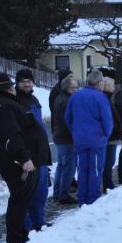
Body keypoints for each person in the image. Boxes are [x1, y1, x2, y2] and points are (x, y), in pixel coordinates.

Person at [0, 73, 48, 243]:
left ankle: (21, 237)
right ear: (10, 88)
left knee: (22, 200)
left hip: (18, 159)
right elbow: (11, 135)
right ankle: (16, 241)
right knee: (19, 201)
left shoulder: (3, 103)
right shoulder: (4, 105)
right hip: (16, 162)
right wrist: (24, 157)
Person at [65, 70, 113, 205]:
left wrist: (75, 131)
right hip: (96, 141)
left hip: (79, 140)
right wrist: (106, 134)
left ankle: (82, 200)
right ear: (100, 83)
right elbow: (107, 120)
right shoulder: (100, 97)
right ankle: (92, 201)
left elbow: (67, 117)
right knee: (95, 170)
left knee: (82, 170)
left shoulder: (75, 95)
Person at [15, 69, 53, 231]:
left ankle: (39, 221)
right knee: (28, 193)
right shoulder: (16, 102)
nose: (26, 84)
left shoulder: (34, 99)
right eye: (22, 81)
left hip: (41, 153)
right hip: (28, 155)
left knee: (41, 191)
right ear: (17, 83)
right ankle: (27, 227)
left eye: (29, 81)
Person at [51, 76, 79, 204]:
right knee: (68, 168)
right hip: (67, 139)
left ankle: (57, 193)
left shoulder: (60, 97)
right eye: (75, 87)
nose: (77, 89)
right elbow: (68, 122)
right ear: (69, 88)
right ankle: (63, 194)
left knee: (62, 167)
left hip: (61, 137)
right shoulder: (67, 101)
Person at [101, 76, 122, 192]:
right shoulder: (104, 98)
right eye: (112, 85)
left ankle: (108, 183)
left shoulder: (108, 97)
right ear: (105, 86)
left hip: (112, 135)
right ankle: (107, 184)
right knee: (108, 162)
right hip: (109, 136)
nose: (114, 87)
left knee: (110, 161)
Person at [49, 69, 73, 134]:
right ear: (63, 78)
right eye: (70, 77)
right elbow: (54, 109)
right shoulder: (56, 91)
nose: (72, 79)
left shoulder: (69, 89)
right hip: (59, 127)